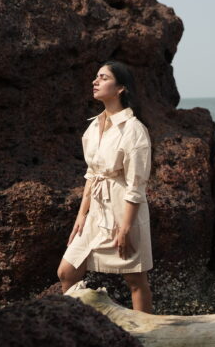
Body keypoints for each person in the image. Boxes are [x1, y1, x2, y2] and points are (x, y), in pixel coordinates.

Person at [57, 60, 153, 312]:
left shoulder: (134, 130)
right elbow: (92, 174)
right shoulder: (93, 126)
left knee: (135, 280)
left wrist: (125, 227)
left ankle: (146, 335)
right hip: (95, 213)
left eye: (103, 77)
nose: (95, 81)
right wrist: (81, 215)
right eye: (95, 77)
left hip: (124, 212)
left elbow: (136, 184)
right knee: (67, 272)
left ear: (120, 88)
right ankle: (77, 327)